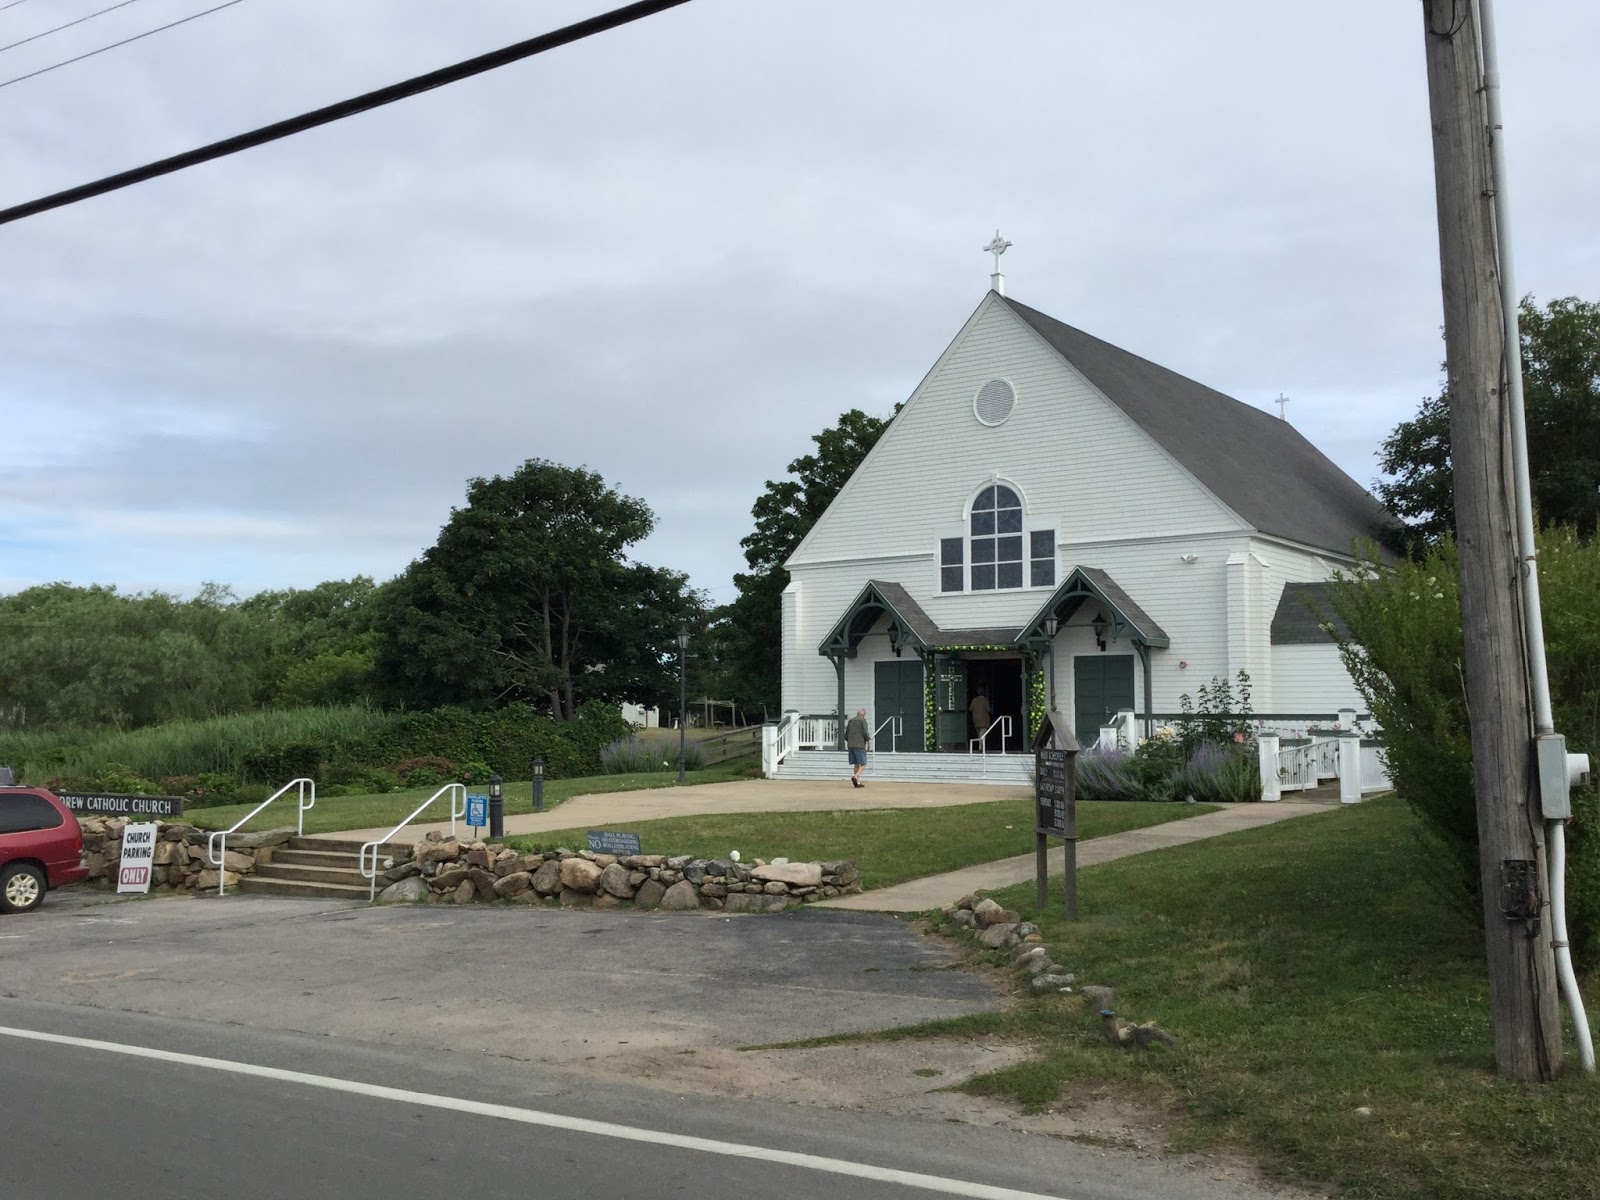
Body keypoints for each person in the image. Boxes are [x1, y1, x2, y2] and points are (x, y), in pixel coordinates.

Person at [844, 707, 870, 787]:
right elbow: (865, 733)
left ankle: (857, 782)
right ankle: (855, 776)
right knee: (863, 763)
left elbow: (846, 734)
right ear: (863, 715)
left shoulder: (850, 721)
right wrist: (868, 741)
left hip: (851, 745)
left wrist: (850, 741)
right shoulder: (863, 721)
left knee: (856, 764)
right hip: (859, 745)